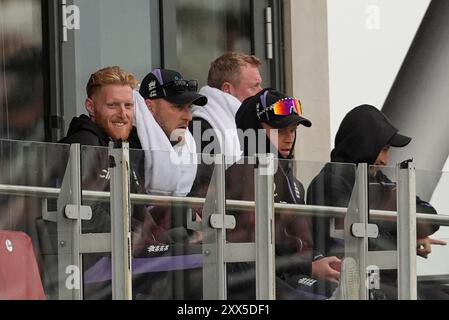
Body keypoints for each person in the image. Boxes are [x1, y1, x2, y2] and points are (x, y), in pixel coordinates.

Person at [306, 104, 447, 299]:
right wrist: (404, 234)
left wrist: (411, 231)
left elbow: (429, 217)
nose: (385, 160)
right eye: (383, 150)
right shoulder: (332, 181)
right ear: (363, 145)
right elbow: (358, 241)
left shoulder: (376, 179)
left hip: (384, 283)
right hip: (356, 285)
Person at [224, 88, 341, 300]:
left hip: (289, 275)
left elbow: (302, 240)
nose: (290, 138)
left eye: (293, 130)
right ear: (255, 131)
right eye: (280, 130)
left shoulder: (292, 182)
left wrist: (322, 261)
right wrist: (309, 266)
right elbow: (255, 252)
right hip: (255, 282)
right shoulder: (240, 175)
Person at [189, 51, 262, 159]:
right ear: (227, 89)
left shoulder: (252, 124)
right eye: (254, 86)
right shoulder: (200, 127)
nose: (261, 92)